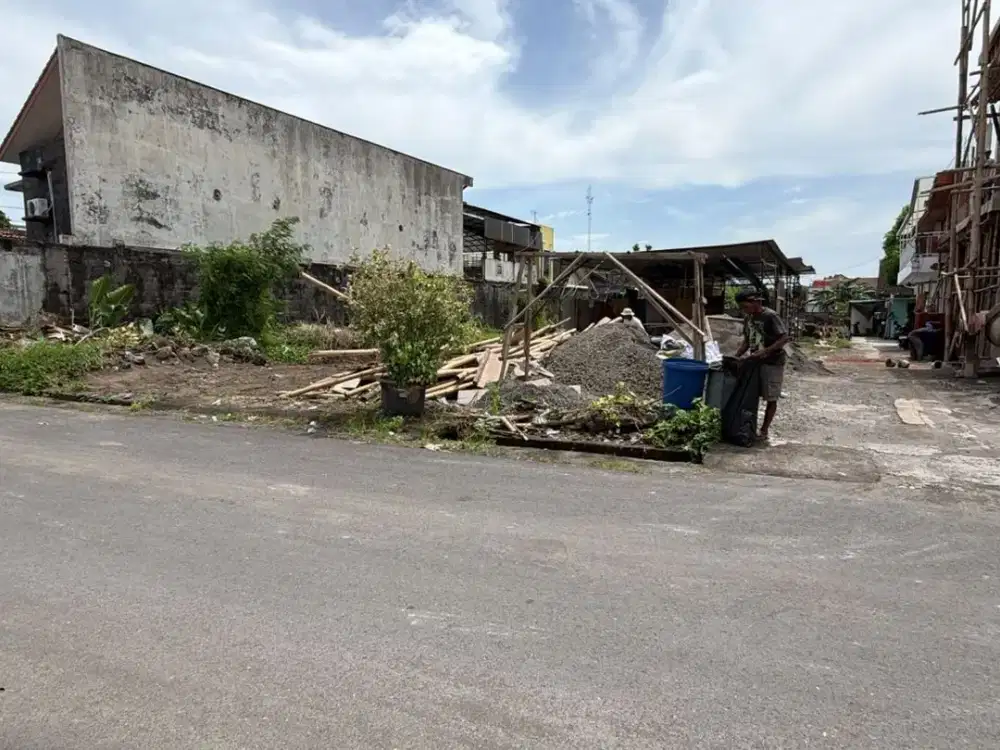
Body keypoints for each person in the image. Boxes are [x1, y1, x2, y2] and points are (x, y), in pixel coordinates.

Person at [734, 291, 789, 442]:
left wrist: (766, 350)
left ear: (756, 302)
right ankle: (749, 427)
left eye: (746, 306)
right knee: (751, 395)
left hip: (772, 362)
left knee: (771, 397)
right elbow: (747, 340)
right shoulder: (748, 318)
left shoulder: (770, 316)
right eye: (742, 308)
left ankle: (764, 430)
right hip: (755, 362)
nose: (745, 310)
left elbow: (784, 337)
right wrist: (736, 356)